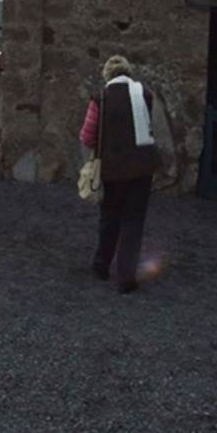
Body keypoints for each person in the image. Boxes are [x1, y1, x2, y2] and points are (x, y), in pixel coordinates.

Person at [79, 55, 160, 293]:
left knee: (110, 218)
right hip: (142, 168)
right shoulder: (145, 94)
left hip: (112, 170)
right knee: (133, 222)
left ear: (108, 75)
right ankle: (126, 277)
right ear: (128, 73)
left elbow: (87, 136)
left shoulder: (101, 97)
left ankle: (101, 266)